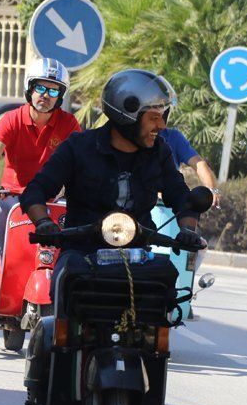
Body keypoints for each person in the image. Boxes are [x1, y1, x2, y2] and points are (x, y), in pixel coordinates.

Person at [19, 69, 205, 292]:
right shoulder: (78, 147)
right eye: (154, 118)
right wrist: (44, 223)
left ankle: (155, 330)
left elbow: (180, 195)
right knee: (64, 281)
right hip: (82, 251)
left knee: (165, 283)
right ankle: (60, 328)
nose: (161, 126)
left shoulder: (159, 153)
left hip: (138, 253)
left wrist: (188, 230)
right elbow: (36, 190)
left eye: (163, 117)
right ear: (127, 115)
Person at [0, 58, 80, 255]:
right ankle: (4, 265)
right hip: (13, 198)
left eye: (53, 91)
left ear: (60, 96)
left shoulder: (69, 123)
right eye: (41, 88)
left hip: (53, 199)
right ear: (29, 88)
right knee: (0, 209)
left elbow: (80, 160)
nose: (45, 95)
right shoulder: (12, 119)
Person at [159, 127, 220, 207]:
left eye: (159, 116)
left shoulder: (173, 136)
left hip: (169, 203)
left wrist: (212, 190)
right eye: (152, 117)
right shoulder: (137, 139)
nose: (159, 122)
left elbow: (199, 164)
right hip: (141, 205)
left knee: (191, 214)